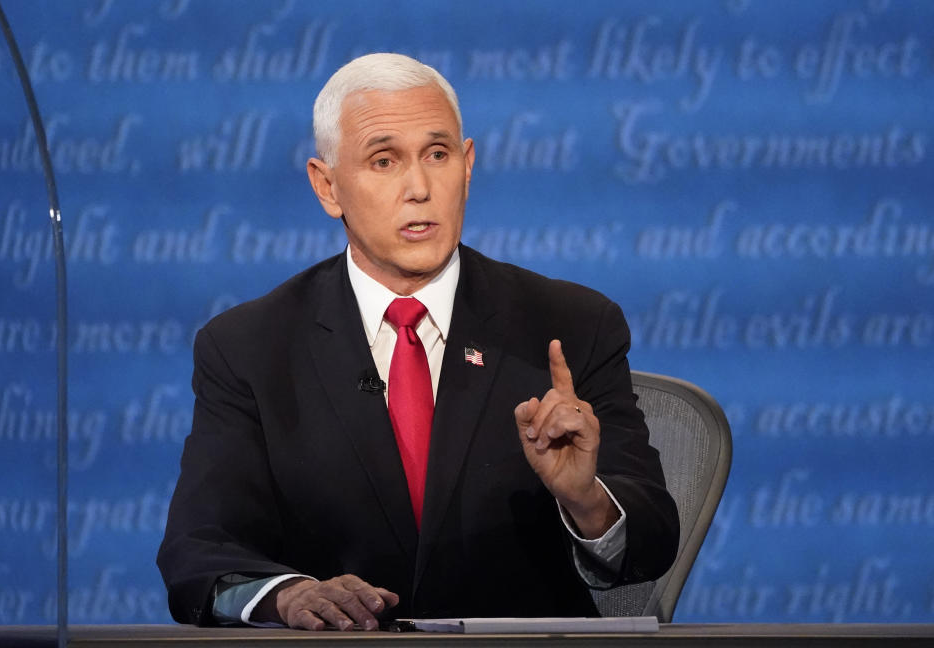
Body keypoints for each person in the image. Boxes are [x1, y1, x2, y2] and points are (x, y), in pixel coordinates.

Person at [157, 53, 679, 631]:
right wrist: (289, 596)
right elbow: (198, 553)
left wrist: (587, 501)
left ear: (468, 165)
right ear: (328, 187)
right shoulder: (250, 347)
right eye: (384, 161)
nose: (419, 188)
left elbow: (653, 543)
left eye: (438, 154)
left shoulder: (572, 325)